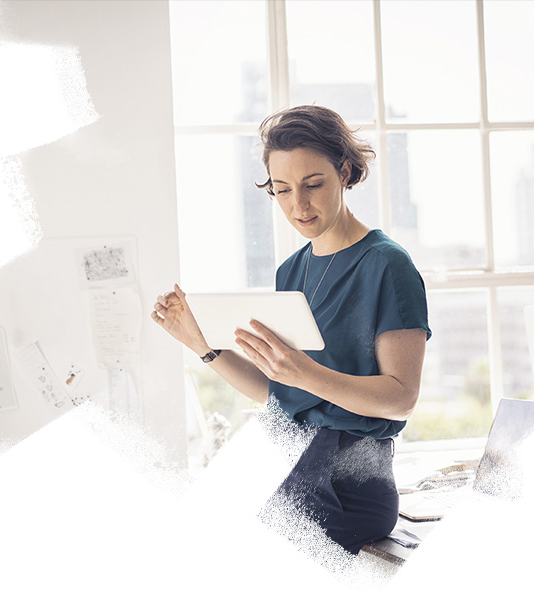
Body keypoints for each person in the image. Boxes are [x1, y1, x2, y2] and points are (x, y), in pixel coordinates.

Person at [151, 105, 431, 554]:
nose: (297, 205)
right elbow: (278, 394)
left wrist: (304, 374)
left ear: (343, 171)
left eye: (312, 185)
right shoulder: (291, 271)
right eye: (281, 190)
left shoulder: (386, 265)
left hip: (350, 485)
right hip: (287, 458)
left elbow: (401, 398)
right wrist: (202, 346)